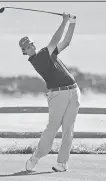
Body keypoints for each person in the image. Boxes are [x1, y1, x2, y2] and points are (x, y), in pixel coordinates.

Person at [19, 13, 81, 172]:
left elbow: (66, 42)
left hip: (74, 91)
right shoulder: (37, 59)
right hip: (57, 95)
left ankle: (62, 163)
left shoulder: (46, 53)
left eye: (31, 44)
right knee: (52, 128)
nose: (30, 47)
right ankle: (36, 157)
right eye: (27, 47)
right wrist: (64, 21)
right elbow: (55, 40)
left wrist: (72, 22)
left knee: (68, 129)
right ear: (24, 52)